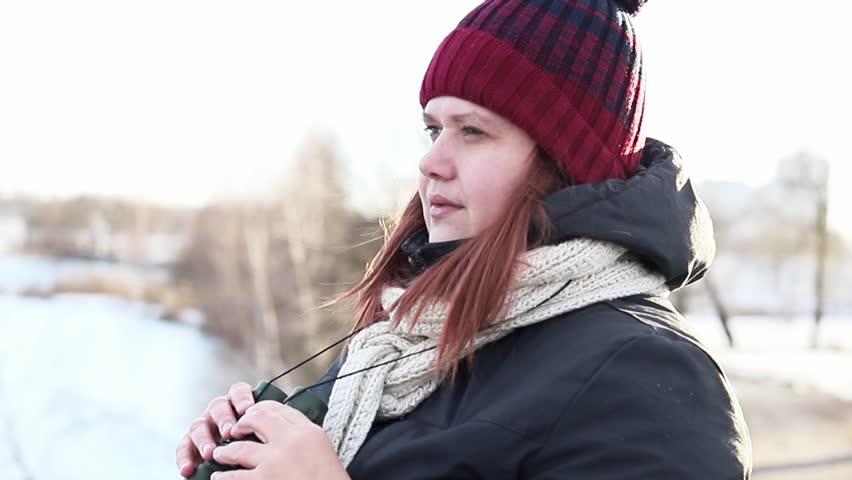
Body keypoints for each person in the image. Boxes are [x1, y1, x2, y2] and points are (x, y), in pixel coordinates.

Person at [176, 0, 753, 478]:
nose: (430, 162)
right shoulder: (408, 336)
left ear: (565, 164)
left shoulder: (648, 376)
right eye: (434, 129)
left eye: (473, 131)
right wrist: (257, 444)